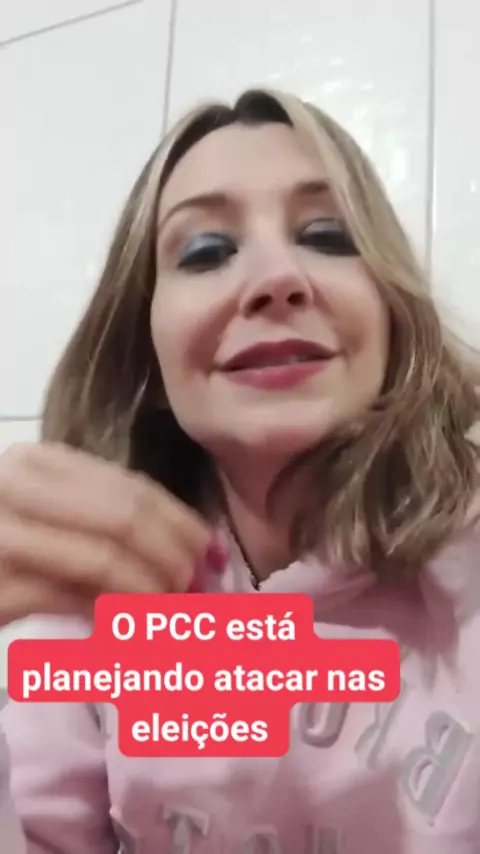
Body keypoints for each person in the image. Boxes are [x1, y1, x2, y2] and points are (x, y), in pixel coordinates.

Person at [0, 86, 479, 854]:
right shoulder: (88, 593)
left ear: (392, 317)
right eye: (204, 251)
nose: (276, 277)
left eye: (327, 235)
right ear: (147, 357)